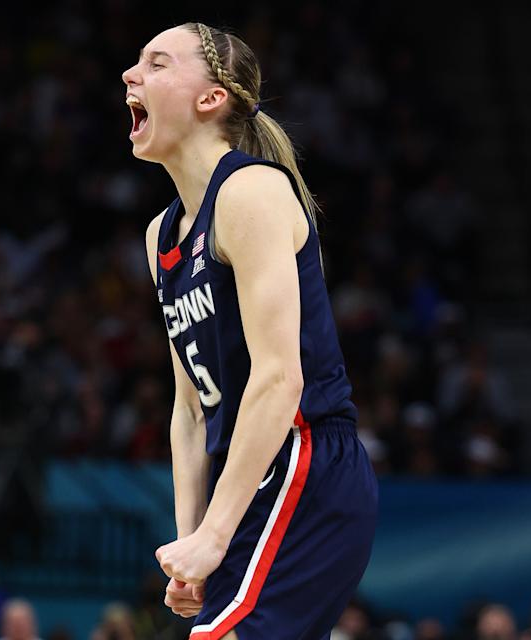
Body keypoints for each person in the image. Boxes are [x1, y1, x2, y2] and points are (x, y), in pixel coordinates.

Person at [122, 21, 378, 640]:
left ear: (211, 99)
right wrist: (193, 540)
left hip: (304, 461)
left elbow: (280, 377)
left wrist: (214, 535)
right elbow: (189, 411)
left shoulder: (252, 192)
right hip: (245, 482)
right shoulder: (162, 234)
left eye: (157, 64)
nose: (131, 76)